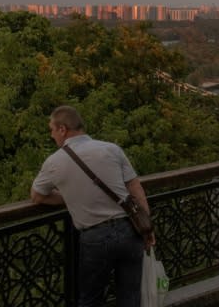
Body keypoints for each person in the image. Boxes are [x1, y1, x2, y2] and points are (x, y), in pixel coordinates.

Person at [30, 105, 155, 307]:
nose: (51, 135)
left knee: (90, 299)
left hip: (95, 237)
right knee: (131, 297)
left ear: (62, 129)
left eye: (52, 129)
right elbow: (135, 187)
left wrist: (70, 197)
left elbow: (37, 197)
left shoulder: (54, 162)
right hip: (129, 229)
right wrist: (147, 226)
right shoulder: (111, 148)